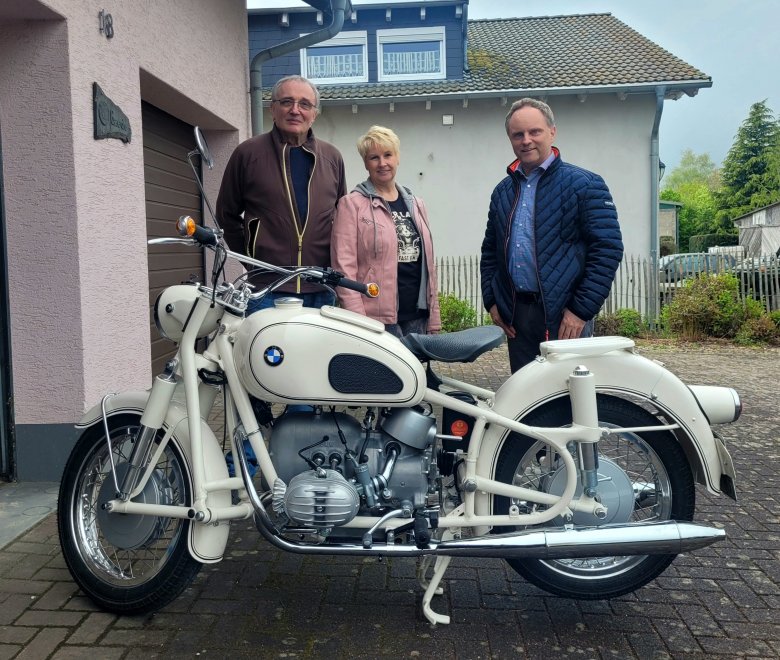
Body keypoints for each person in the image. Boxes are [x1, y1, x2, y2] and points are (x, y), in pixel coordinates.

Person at [480, 98, 623, 372]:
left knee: (568, 398)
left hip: (565, 316)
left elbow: (607, 249)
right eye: (517, 134)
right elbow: (490, 252)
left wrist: (580, 311)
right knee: (526, 400)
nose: (526, 140)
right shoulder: (502, 192)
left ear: (552, 132)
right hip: (516, 318)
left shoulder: (585, 185)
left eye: (535, 132)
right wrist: (492, 301)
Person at [216, 75, 347, 313]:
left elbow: (342, 220)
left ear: (314, 113)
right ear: (272, 109)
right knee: (266, 352)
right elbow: (226, 214)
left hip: (320, 290)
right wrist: (252, 261)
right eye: (287, 102)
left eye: (305, 104)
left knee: (316, 352)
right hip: (266, 291)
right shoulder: (248, 153)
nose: (295, 110)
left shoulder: (332, 158)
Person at [331, 125, 441, 337]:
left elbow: (429, 265)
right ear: (365, 163)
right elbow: (344, 267)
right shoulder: (351, 205)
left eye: (388, 155)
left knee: (415, 370)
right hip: (376, 318)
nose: (382, 163)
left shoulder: (416, 204)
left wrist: (433, 317)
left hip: (417, 313)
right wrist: (358, 320)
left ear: (397, 158)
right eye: (374, 157)